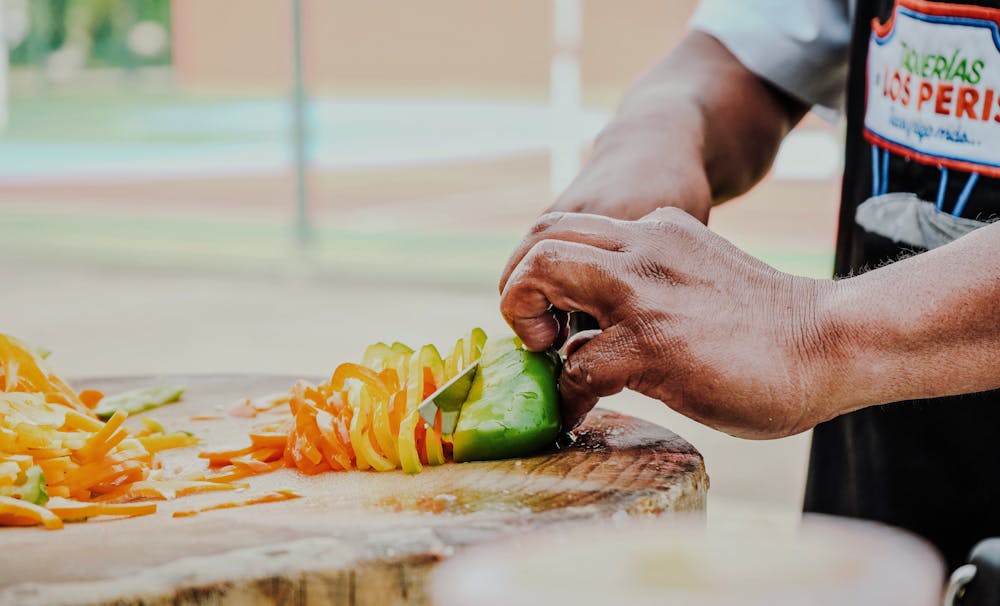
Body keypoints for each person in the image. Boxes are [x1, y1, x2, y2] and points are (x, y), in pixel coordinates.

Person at [498, 0, 1000, 570]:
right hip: (872, 524)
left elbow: (811, 337)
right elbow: (742, 56)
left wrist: (809, 335)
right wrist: (656, 137)